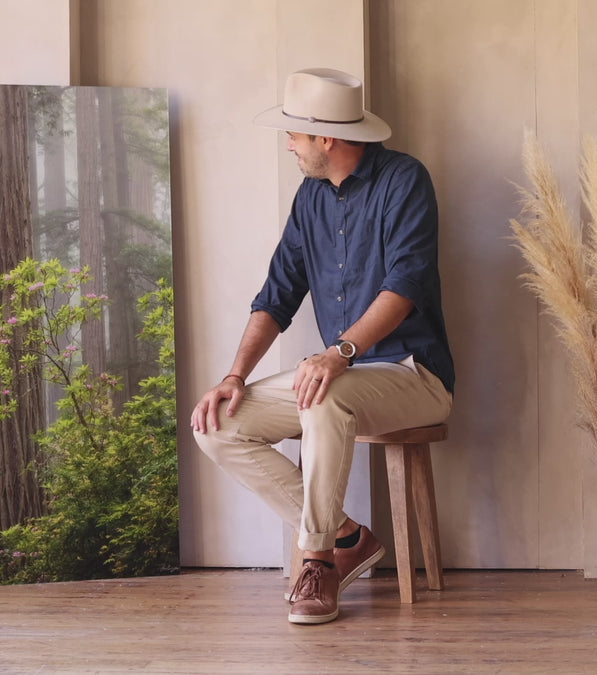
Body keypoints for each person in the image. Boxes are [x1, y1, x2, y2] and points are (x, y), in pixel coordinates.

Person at [191, 68, 455, 625]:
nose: (288, 143)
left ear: (325, 138)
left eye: (294, 133)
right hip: (341, 373)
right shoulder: (309, 198)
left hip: (413, 374)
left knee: (326, 396)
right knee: (218, 423)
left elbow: (404, 288)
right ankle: (346, 537)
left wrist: (340, 353)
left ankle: (318, 564)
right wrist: (234, 375)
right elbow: (275, 297)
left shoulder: (405, 180)